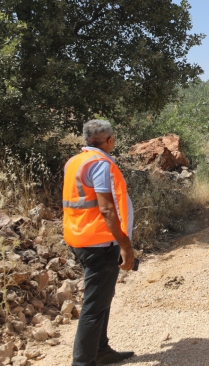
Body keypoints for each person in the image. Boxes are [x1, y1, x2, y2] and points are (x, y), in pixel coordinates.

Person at [62, 119, 135, 366]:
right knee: (94, 306)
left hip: (79, 238)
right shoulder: (100, 165)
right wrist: (125, 245)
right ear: (109, 140)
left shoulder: (74, 162)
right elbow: (106, 210)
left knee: (102, 297)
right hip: (99, 242)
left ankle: (101, 351)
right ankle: (83, 362)